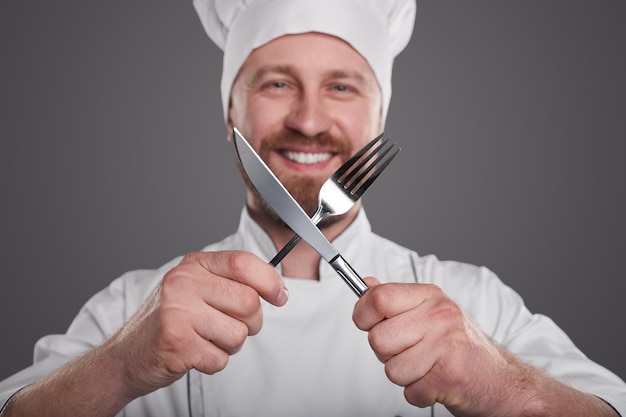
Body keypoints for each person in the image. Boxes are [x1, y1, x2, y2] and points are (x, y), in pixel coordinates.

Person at [1, 0, 625, 415]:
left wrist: (500, 386)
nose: (307, 119)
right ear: (230, 114)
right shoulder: (137, 306)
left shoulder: (473, 301)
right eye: (276, 82)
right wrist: (121, 365)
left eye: (342, 87)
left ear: (379, 119)